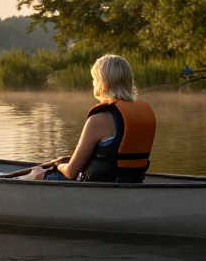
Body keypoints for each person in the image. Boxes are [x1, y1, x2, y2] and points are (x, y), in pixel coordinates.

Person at [22, 54, 156, 183]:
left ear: (102, 82)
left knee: (34, 175)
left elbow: (70, 173)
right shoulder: (142, 115)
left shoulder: (99, 119)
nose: (93, 83)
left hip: (102, 188)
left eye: (94, 79)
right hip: (133, 183)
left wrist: (52, 168)